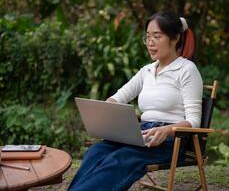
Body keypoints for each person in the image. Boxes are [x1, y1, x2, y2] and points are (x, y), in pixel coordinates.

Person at [68, 10, 203, 191]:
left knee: (121, 158)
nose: (150, 42)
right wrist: (106, 109)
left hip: (171, 140)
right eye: (147, 37)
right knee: (96, 152)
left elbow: (194, 121)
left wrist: (166, 130)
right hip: (140, 134)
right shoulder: (146, 71)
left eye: (157, 36)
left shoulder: (187, 70)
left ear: (175, 38)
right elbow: (118, 97)